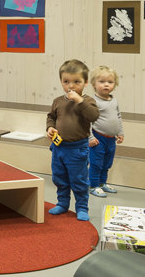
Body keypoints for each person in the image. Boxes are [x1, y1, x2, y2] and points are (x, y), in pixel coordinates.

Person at [46, 59, 100, 221]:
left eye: (76, 82)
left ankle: (82, 207)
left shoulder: (88, 101)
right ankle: (62, 203)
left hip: (77, 149)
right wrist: (50, 128)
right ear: (61, 82)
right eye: (66, 82)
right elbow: (51, 117)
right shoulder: (58, 101)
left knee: (79, 180)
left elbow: (93, 116)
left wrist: (79, 101)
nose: (71, 86)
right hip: (59, 148)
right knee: (59, 177)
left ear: (85, 83)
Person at [88, 65, 124, 198]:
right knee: (96, 163)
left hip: (111, 138)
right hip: (98, 138)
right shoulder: (92, 101)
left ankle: (102, 183)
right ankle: (93, 185)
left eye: (110, 82)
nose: (106, 85)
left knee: (107, 163)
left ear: (115, 84)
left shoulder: (114, 100)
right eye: (102, 82)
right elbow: (87, 121)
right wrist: (90, 137)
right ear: (93, 84)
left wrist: (120, 132)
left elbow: (118, 116)